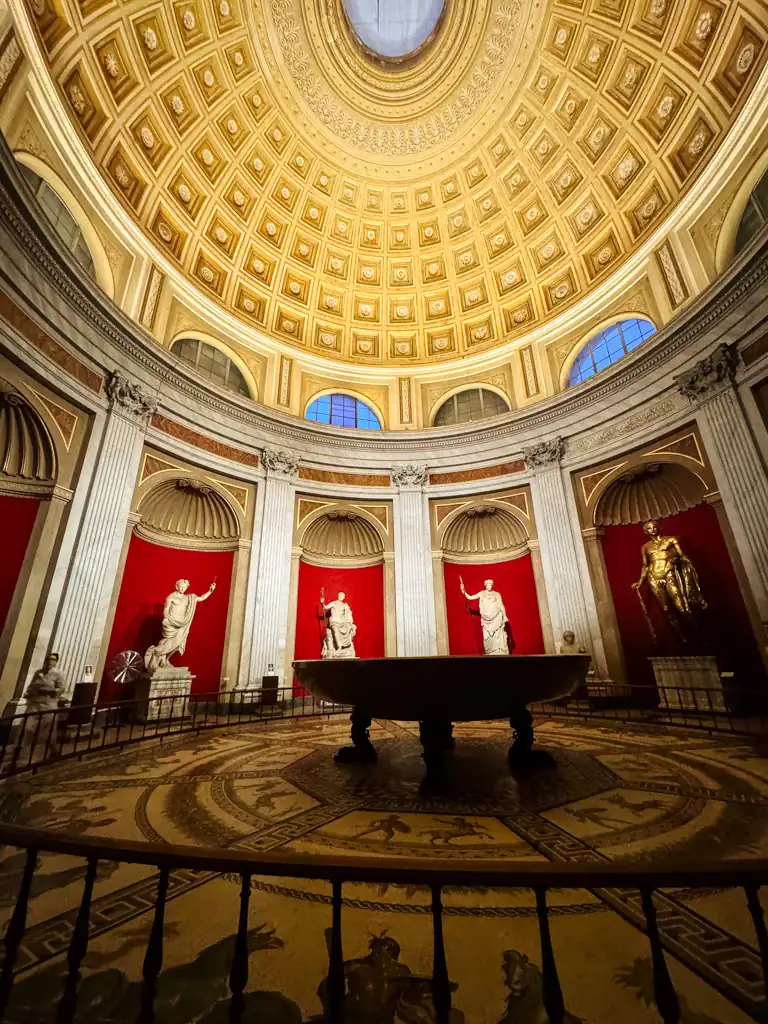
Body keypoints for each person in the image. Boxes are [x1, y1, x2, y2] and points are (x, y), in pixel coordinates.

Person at [632, 519, 706, 642]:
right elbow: (645, 565)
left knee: (682, 607)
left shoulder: (670, 540)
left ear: (659, 527)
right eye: (649, 528)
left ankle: (700, 636)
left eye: (654, 526)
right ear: (646, 531)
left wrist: (676, 561)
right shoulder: (645, 547)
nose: (653, 529)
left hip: (669, 573)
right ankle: (682, 639)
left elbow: (682, 557)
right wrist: (640, 582)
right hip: (654, 577)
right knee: (666, 609)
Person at [145, 579, 216, 674]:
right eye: (181, 586)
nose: (182, 588)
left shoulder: (189, 598)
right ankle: (154, 660)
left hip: (182, 625)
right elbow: (166, 610)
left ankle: (165, 661)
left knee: (177, 644)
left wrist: (210, 590)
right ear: (176, 586)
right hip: (171, 624)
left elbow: (201, 598)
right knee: (167, 643)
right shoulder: (171, 597)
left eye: (184, 587)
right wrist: (166, 620)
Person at [21, 652, 67, 756]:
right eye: (48, 659)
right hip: (34, 705)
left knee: (48, 732)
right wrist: (28, 693)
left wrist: (47, 691)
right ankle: (22, 755)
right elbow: (31, 685)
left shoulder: (58, 674)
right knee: (27, 728)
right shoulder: (38, 673)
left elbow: (61, 689)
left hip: (48, 705)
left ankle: (54, 751)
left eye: (53, 660)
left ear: (56, 662)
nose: (50, 661)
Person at [459, 578, 510, 655]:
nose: (489, 586)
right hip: (486, 620)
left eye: (490, 585)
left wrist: (505, 615)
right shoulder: (482, 593)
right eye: (488, 585)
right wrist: (463, 591)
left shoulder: (497, 594)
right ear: (485, 585)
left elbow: (501, 606)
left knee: (498, 637)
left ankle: (500, 651)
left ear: (492, 585)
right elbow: (470, 597)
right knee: (487, 638)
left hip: (496, 618)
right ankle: (489, 652)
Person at [321, 590, 357, 659]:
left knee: (348, 627)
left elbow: (347, 615)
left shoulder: (344, 606)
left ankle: (346, 646)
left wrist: (349, 622)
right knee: (335, 631)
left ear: (344, 597)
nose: (340, 597)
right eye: (339, 596)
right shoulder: (333, 603)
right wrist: (322, 603)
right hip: (334, 622)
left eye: (342, 596)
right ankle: (339, 646)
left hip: (342, 622)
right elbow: (325, 607)